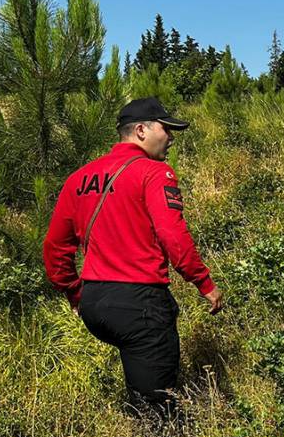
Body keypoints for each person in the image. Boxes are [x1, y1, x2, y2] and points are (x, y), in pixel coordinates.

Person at [43, 97, 223, 416]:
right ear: (141, 130)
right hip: (140, 302)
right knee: (159, 409)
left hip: (96, 304)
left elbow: (55, 247)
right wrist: (204, 283)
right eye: (166, 129)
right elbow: (173, 236)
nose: (171, 137)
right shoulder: (154, 173)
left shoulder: (78, 179)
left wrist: (74, 293)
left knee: (140, 385)